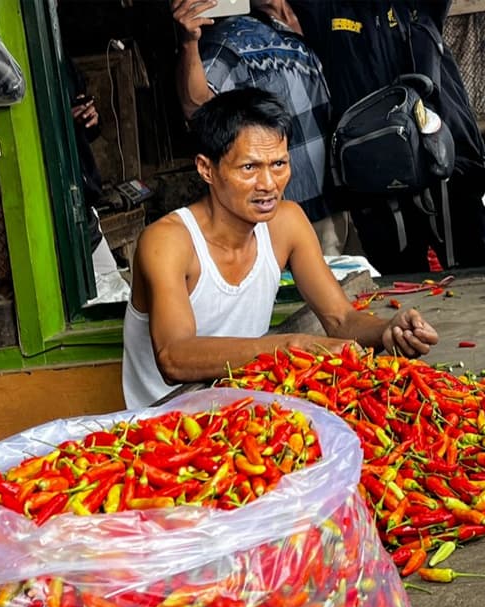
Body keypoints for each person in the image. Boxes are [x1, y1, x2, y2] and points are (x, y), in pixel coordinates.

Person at [121, 88, 438, 409]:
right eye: (249, 168)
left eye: (278, 164)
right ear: (207, 169)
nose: (269, 184)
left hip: (245, 406)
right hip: (165, 429)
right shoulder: (168, 241)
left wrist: (387, 330)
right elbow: (174, 356)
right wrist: (289, 346)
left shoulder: (286, 223)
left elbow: (340, 320)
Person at [288, 0, 485, 272]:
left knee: (477, 273)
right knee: (397, 285)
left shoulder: (415, 6)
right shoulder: (327, 10)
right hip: (375, 182)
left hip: (443, 167)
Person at [172, 0, 347, 255]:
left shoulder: (322, 17)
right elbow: (197, 108)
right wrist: (189, 44)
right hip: (295, 212)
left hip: (346, 196)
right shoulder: (231, 39)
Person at [67, 59, 130, 305]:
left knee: (113, 292)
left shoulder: (64, 63)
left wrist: (89, 119)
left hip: (85, 204)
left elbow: (87, 134)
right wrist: (64, 119)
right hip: (63, 205)